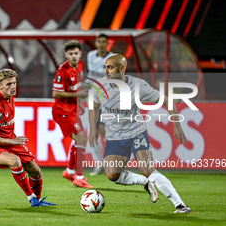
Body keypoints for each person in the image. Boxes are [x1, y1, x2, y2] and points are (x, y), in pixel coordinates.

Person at [88, 54, 192, 213]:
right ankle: (145, 182)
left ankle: (180, 205)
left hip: (136, 133)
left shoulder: (137, 86)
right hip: (115, 138)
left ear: (121, 68)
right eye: (105, 67)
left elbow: (168, 100)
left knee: (147, 168)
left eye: (110, 67)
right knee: (112, 175)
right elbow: (94, 107)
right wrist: (93, 128)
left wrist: (176, 125)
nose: (106, 71)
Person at [0, 68, 56, 207]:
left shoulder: (9, 97)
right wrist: (12, 141)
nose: (13, 86)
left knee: (36, 171)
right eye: (8, 84)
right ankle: (31, 197)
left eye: (14, 83)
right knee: (15, 161)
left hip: (10, 141)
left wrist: (11, 141)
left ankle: (37, 201)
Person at [52, 40, 94, 188]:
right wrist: (77, 94)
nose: (74, 56)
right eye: (71, 54)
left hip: (72, 109)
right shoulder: (62, 71)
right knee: (81, 139)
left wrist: (79, 103)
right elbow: (55, 93)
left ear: (80, 54)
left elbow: (77, 86)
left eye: (76, 53)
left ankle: (70, 171)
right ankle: (79, 177)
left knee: (79, 140)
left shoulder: (80, 65)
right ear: (66, 55)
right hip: (62, 111)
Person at [87, 33, 114, 176]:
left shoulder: (113, 57)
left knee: (104, 130)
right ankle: (100, 163)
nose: (101, 44)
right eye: (99, 41)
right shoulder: (90, 56)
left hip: (107, 98)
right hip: (93, 98)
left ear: (107, 43)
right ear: (96, 43)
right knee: (94, 130)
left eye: (104, 41)